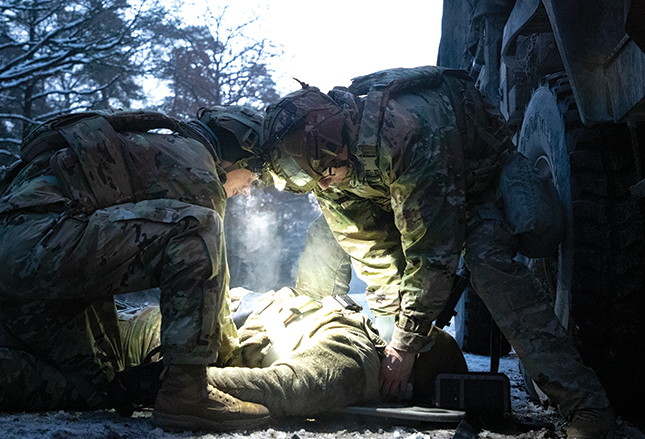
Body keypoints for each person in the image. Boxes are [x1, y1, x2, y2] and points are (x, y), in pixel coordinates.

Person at [256, 66, 615, 439]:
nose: (322, 184)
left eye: (325, 174)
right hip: (407, 196)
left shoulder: (406, 132)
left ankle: (586, 405)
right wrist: (392, 332)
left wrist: (407, 346)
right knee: (325, 239)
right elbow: (371, 249)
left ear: (336, 145)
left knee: (488, 266)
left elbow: (432, 254)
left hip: (478, 183)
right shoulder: (324, 163)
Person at [0, 106, 269, 432]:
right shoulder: (198, 171)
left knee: (91, 384)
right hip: (41, 244)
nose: (247, 189)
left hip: (25, 251)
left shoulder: (155, 147)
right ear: (238, 159)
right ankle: (187, 395)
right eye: (252, 177)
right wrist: (228, 357)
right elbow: (209, 267)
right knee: (199, 228)